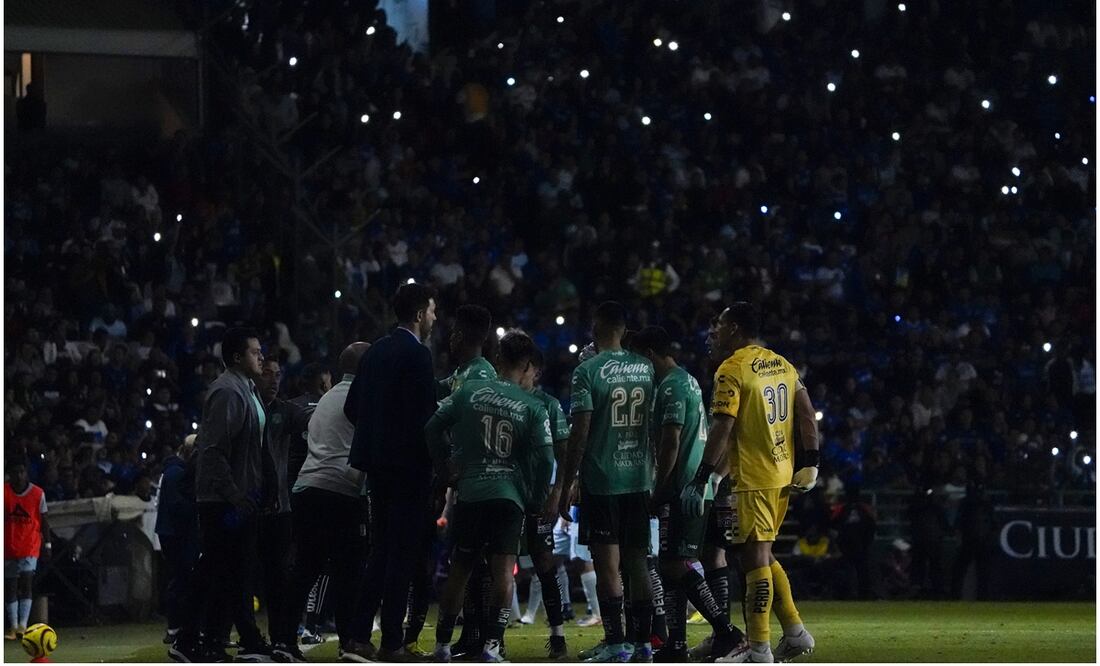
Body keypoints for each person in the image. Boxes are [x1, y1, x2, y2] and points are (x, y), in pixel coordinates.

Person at [683, 303, 817, 663]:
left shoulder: (732, 368)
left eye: (720, 325)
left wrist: (703, 475)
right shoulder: (782, 363)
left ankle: (759, 649)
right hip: (782, 474)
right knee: (758, 553)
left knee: (753, 559)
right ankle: (795, 631)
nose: (713, 331)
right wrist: (811, 462)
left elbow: (723, 426)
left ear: (736, 329)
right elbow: (805, 411)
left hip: (754, 476)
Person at [425, 330, 555, 663]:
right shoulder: (532, 405)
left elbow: (432, 427)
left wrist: (444, 466)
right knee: (503, 572)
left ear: (498, 359)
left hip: (471, 493)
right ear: (526, 364)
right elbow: (546, 459)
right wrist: (537, 499)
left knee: (460, 571)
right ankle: (492, 647)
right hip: (508, 497)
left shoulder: (469, 391)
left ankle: (441, 647)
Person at [632, 326, 746, 662]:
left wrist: (661, 487)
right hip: (692, 486)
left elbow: (671, 440)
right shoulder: (687, 380)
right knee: (670, 567)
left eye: (639, 359)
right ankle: (676, 645)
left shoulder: (671, 386)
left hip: (682, 488)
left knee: (675, 564)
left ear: (650, 355)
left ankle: (726, 632)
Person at [556, 301, 656, 663]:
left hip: (603, 478)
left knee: (608, 566)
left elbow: (580, 430)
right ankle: (643, 644)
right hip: (640, 478)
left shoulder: (588, 370)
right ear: (624, 330)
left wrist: (568, 479)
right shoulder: (646, 368)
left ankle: (617, 643)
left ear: (596, 328)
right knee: (638, 562)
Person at [170, 327, 277, 663]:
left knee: (230, 570)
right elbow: (213, 451)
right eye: (254, 352)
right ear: (236, 357)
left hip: (239, 496)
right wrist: (234, 494)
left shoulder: (246, 390)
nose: (261, 357)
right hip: (223, 501)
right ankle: (190, 639)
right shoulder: (228, 392)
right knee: (218, 569)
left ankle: (214, 639)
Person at [345, 283, 438, 659]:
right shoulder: (418, 355)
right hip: (409, 468)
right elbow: (426, 417)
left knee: (380, 551)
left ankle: (357, 635)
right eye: (431, 311)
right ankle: (392, 642)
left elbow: (352, 407)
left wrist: (376, 436)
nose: (433, 318)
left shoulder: (374, 352)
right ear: (418, 314)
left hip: (376, 467)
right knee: (401, 554)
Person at [283, 342, 374, 660]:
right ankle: (349, 641)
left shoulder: (327, 399)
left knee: (305, 568)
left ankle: (284, 640)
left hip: (309, 488)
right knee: (349, 570)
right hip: (342, 491)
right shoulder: (362, 397)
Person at [433, 304, 497, 659]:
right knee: (471, 563)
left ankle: (480, 637)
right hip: (468, 482)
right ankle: (473, 636)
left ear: (459, 335)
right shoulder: (463, 373)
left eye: (454, 331)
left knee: (474, 562)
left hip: (478, 480)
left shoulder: (479, 375)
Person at [517, 346, 571, 659]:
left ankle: (558, 635)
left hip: (537, 498)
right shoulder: (503, 397)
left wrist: (557, 491)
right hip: (507, 493)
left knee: (545, 564)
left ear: (535, 370)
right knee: (494, 563)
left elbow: (563, 453)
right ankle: (485, 638)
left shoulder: (548, 405)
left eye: (524, 367)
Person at [256, 357, 302, 661]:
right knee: (249, 573)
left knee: (279, 577)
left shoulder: (286, 412)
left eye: (278, 375)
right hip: (249, 505)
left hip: (280, 507)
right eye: (268, 374)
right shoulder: (248, 408)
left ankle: (279, 637)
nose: (273, 380)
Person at [155, 435, 199, 646]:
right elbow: (178, 506)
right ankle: (175, 627)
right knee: (180, 580)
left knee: (179, 580)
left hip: (170, 532)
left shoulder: (171, 471)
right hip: (177, 534)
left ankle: (178, 626)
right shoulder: (177, 473)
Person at [5, 459, 50, 640]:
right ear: (10, 474)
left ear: (27, 473)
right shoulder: (4, 492)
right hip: (7, 546)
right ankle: (13, 627)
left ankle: (23, 625)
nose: (19, 476)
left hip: (29, 545)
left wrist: (47, 544)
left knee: (26, 582)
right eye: (15, 472)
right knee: (10, 586)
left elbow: (44, 520)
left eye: (22, 472)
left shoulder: (38, 493)